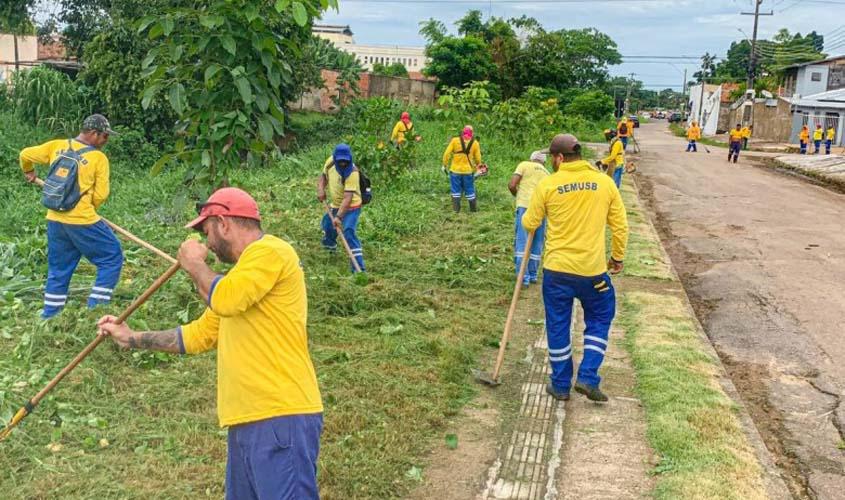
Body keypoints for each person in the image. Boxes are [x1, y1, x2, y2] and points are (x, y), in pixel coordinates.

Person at [97, 187, 324, 500]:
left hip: (280, 415)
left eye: (206, 231)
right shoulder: (241, 279)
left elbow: (226, 298)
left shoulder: (271, 251)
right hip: (245, 420)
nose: (207, 243)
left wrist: (194, 265)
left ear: (224, 223)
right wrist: (131, 337)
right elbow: (198, 335)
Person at [522, 134, 628, 403]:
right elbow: (620, 226)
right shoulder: (604, 183)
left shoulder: (548, 184)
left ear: (558, 158)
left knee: (557, 324)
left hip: (556, 271)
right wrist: (617, 257)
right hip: (592, 272)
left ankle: (560, 386)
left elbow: (530, 223)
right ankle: (588, 376)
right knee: (601, 315)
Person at [19, 114, 123, 319]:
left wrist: (29, 171)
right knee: (111, 257)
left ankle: (49, 315)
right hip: (82, 221)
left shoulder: (56, 146)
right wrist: (87, 207)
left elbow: (25, 154)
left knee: (59, 268)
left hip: (55, 219)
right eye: (104, 136)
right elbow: (101, 194)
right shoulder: (98, 158)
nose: (105, 141)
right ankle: (96, 310)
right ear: (94, 134)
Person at [317, 144, 365, 272]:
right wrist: (321, 189)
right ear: (335, 157)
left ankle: (358, 269)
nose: (343, 163)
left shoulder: (353, 172)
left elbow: (348, 198)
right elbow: (323, 177)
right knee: (328, 226)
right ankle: (329, 253)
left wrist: (339, 217)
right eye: (340, 160)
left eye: (345, 160)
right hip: (336, 204)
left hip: (352, 207)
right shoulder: (330, 162)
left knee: (348, 231)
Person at [508, 150, 549, 287]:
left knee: (522, 241)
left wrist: (517, 196)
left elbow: (512, 185)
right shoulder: (547, 174)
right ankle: (532, 275)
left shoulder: (524, 165)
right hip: (541, 210)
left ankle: (522, 277)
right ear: (544, 162)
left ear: (532, 159)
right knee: (537, 241)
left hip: (525, 206)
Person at [442, 125, 482, 213]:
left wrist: (444, 165)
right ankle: (473, 211)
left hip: (455, 170)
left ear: (463, 131)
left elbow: (446, 154)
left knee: (455, 190)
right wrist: (479, 167)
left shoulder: (455, 140)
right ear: (472, 133)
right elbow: (478, 158)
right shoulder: (475, 143)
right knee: (470, 189)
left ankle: (456, 211)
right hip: (468, 171)